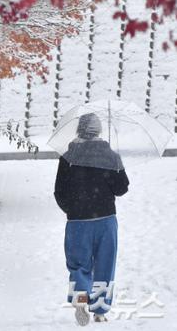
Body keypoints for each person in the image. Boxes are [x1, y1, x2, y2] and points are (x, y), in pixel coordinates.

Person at [54, 113, 129, 326]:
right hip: (106, 220)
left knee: (78, 264)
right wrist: (115, 165)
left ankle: (80, 297)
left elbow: (59, 191)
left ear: (79, 130)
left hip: (78, 222)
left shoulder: (68, 156)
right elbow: (122, 189)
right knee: (105, 263)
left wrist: (73, 210)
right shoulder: (110, 156)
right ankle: (100, 311)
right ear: (98, 131)